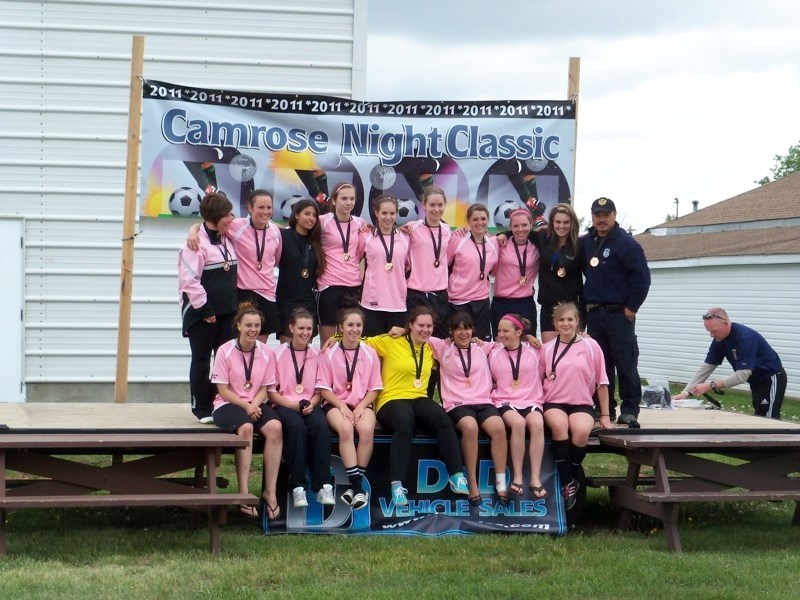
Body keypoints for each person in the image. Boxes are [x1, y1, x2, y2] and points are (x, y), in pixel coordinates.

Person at [365, 307, 469, 506]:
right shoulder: (391, 342)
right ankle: (396, 485)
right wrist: (334, 337)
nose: (425, 329)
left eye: (429, 326)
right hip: (391, 399)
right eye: (420, 325)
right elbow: (358, 341)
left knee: (443, 420)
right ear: (410, 325)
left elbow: (461, 340)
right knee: (405, 423)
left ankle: (456, 475)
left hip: (418, 397)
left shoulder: (432, 346)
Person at [427, 312, 509, 506]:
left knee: (498, 428)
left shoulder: (482, 347)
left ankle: (500, 482)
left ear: (472, 330)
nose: (463, 333)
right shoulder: (443, 347)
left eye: (467, 328)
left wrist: (529, 337)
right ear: (451, 331)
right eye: (458, 329)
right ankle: (471, 482)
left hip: (483, 401)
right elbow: (421, 332)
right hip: (457, 403)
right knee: (470, 427)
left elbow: (508, 341)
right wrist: (402, 328)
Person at [581, 197, 650, 426]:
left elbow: (642, 279)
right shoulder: (587, 242)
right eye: (597, 214)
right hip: (594, 313)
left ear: (614, 215)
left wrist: (631, 307)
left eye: (605, 214)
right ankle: (605, 409)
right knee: (600, 365)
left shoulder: (626, 243)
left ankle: (630, 409)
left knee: (625, 362)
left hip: (619, 313)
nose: (601, 219)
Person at [210, 302, 283, 519]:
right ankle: (243, 493)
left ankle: (270, 491)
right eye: (248, 325)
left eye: (257, 325)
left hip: (256, 402)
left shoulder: (267, 352)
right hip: (228, 404)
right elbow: (222, 389)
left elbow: (265, 387)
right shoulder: (225, 350)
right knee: (246, 428)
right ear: (239, 326)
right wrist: (247, 406)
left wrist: (255, 404)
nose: (253, 329)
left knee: (275, 428)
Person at [540, 302, 611, 509]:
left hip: (581, 402)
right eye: (561, 320)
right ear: (554, 323)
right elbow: (537, 378)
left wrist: (605, 415)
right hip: (554, 402)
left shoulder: (591, 346)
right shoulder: (546, 349)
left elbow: (602, 382)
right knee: (560, 426)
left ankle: (569, 474)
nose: (565, 324)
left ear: (578, 322)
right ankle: (568, 483)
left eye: (570, 319)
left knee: (580, 432)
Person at [187, 189, 282, 341]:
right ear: (250, 208)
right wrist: (193, 231)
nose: (265, 211)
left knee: (260, 347)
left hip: (267, 294)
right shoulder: (236, 225)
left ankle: (256, 366)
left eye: (269, 207)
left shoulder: (275, 231)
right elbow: (210, 223)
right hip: (243, 293)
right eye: (261, 207)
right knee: (240, 345)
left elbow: (276, 260)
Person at [178, 192, 238, 422]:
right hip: (202, 313)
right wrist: (206, 310)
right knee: (202, 359)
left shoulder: (227, 237)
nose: (231, 219)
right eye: (226, 215)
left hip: (227, 313)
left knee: (223, 361)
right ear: (215, 217)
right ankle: (200, 408)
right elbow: (190, 282)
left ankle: (218, 404)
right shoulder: (194, 244)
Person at [267, 308, 334, 508]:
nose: (305, 333)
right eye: (301, 328)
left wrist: (310, 405)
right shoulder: (277, 354)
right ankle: (298, 487)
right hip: (284, 404)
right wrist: (292, 406)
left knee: (321, 427)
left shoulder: (317, 355)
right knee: (296, 428)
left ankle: (323, 486)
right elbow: (271, 391)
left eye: (309, 329)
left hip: (309, 404)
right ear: (291, 328)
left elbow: (320, 389)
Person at [317, 308, 382, 508]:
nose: (354, 329)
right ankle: (358, 487)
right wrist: (342, 406)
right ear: (341, 328)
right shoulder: (328, 352)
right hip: (335, 403)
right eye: (350, 325)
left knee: (366, 430)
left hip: (362, 403)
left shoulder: (370, 353)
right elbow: (324, 389)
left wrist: (361, 406)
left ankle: (354, 487)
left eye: (358, 325)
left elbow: (375, 389)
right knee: (345, 429)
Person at [673, 308, 787, 419]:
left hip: (771, 378)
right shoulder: (719, 339)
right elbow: (707, 367)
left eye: (714, 331)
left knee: (767, 420)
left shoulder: (745, 338)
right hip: (756, 381)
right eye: (709, 331)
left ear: (726, 323)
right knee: (759, 417)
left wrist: (711, 385)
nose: (711, 335)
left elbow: (742, 375)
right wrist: (687, 392)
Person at [496, 203, 584, 343]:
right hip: (548, 307)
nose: (562, 226)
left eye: (566, 222)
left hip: (571, 308)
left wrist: (582, 319)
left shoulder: (580, 245)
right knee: (549, 355)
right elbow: (521, 232)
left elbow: (588, 280)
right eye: (558, 222)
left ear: (572, 223)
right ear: (552, 223)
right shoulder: (543, 238)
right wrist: (503, 234)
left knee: (570, 355)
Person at [488, 314, 546, 500]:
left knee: (537, 425)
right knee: (518, 424)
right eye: (499, 331)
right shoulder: (493, 350)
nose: (501, 335)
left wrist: (583, 336)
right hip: (505, 401)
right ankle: (518, 477)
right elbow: (473, 344)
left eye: (506, 331)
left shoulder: (534, 349)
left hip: (531, 400)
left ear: (519, 331)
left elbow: (557, 347)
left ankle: (535, 479)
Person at [316, 182, 366, 345]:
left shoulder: (360, 223)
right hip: (329, 285)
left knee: (350, 338)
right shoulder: (323, 221)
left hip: (352, 286)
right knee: (328, 341)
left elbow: (360, 253)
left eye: (352, 199)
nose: (348, 202)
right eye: (344, 198)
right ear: (335, 200)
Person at [402, 186, 453, 339]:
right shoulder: (412, 228)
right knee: (416, 340)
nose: (436, 209)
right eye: (432, 205)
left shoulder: (447, 230)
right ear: (424, 205)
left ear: (445, 205)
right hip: (416, 294)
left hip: (440, 295)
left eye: (440, 205)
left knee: (439, 341)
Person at [359, 196, 411, 336]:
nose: (388, 217)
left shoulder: (406, 238)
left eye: (392, 213)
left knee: (394, 354)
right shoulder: (366, 236)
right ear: (376, 213)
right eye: (384, 213)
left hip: (397, 304)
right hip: (372, 303)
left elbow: (409, 266)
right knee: (373, 350)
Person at [276, 198, 325, 343]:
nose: (311, 218)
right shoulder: (283, 236)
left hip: (307, 301)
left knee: (304, 347)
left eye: (314, 215)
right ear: (296, 215)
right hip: (286, 300)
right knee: (287, 349)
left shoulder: (316, 241)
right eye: (307, 214)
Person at [447, 203, 499, 341]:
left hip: (481, 301)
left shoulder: (493, 244)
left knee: (482, 344)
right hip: (458, 301)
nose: (479, 222)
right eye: (475, 219)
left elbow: (493, 271)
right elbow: (445, 265)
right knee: (459, 344)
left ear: (488, 220)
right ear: (468, 221)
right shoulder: (457, 239)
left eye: (483, 219)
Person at [490, 208, 540, 339]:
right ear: (510, 227)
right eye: (516, 226)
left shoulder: (537, 246)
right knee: (500, 344)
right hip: (501, 303)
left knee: (527, 343)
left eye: (524, 225)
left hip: (525, 303)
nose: (520, 229)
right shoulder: (500, 243)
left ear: (531, 224)